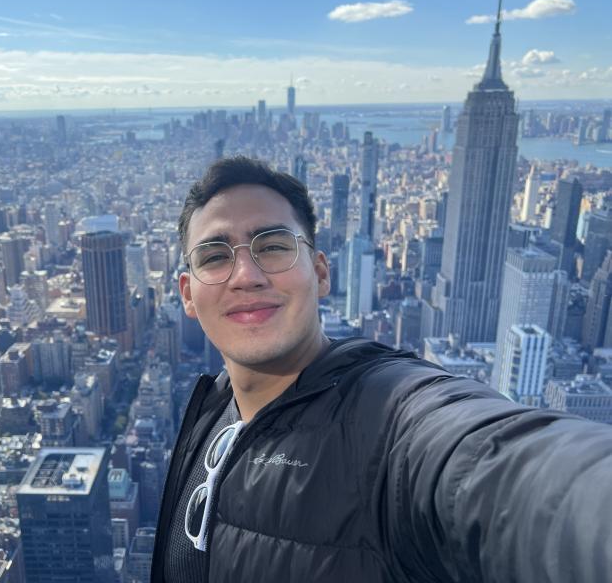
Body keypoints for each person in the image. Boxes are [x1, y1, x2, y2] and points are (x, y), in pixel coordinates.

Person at [149, 156, 612, 582]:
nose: (246, 275)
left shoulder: (389, 418)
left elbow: (502, 469)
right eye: (214, 256)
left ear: (321, 272)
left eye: (272, 246)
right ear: (188, 294)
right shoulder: (209, 416)